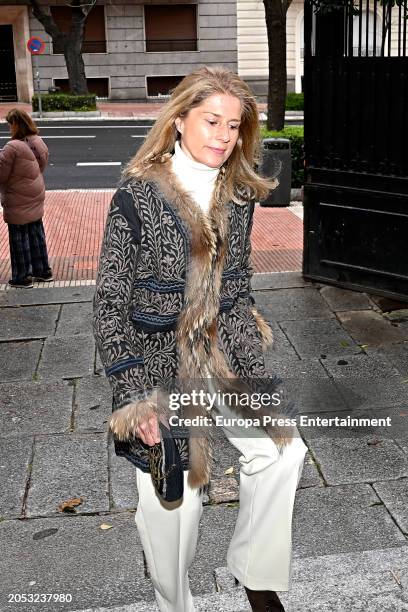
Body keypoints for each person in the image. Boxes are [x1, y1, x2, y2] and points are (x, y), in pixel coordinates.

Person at [93, 66, 307, 612]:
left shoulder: (239, 194)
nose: (223, 136)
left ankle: (255, 574)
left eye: (234, 126)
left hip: (220, 354)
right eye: (212, 120)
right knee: (177, 505)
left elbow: (236, 290)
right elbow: (111, 304)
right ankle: (175, 604)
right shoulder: (138, 197)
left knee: (283, 451)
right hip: (157, 364)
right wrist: (133, 397)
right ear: (180, 120)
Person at [0, 108, 53, 288]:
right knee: (36, 232)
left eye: (9, 124)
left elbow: (2, 174)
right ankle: (43, 271)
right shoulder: (37, 141)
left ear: (15, 124)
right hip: (35, 192)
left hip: (18, 197)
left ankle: (22, 277)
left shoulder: (12, 147)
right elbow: (41, 166)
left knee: (18, 237)